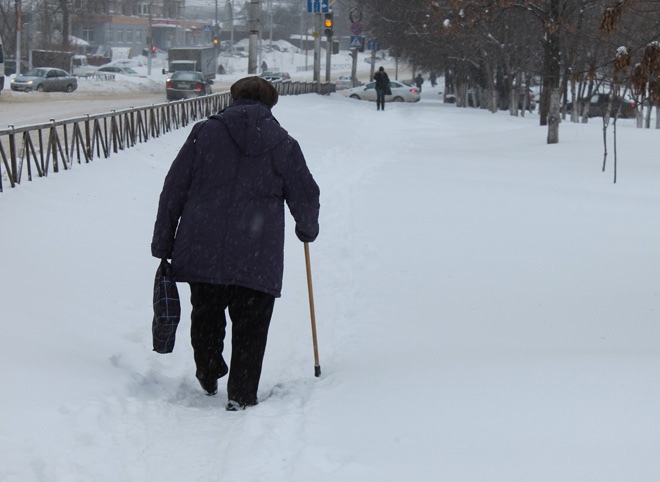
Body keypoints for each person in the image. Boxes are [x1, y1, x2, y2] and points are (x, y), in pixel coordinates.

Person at [151, 76, 320, 411]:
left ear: (233, 98)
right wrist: (307, 226)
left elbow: (174, 188)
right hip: (258, 256)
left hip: (203, 248)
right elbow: (305, 193)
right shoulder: (283, 144)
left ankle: (208, 368)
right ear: (271, 104)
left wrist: (163, 241)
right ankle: (242, 394)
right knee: (252, 328)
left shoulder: (204, 134)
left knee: (206, 315)